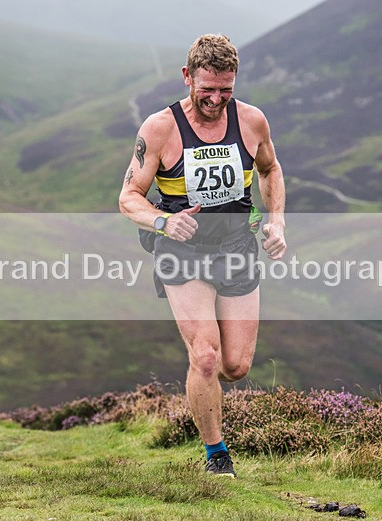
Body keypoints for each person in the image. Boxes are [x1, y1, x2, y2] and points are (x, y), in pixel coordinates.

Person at [118, 34, 286, 477]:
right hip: (182, 250)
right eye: (206, 88)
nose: (215, 99)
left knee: (235, 365)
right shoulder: (160, 128)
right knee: (206, 356)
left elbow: (270, 169)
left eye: (225, 89)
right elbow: (129, 197)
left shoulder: (252, 121)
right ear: (187, 76)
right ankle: (217, 456)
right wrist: (163, 222)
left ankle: (206, 394)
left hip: (236, 248)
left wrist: (277, 221)